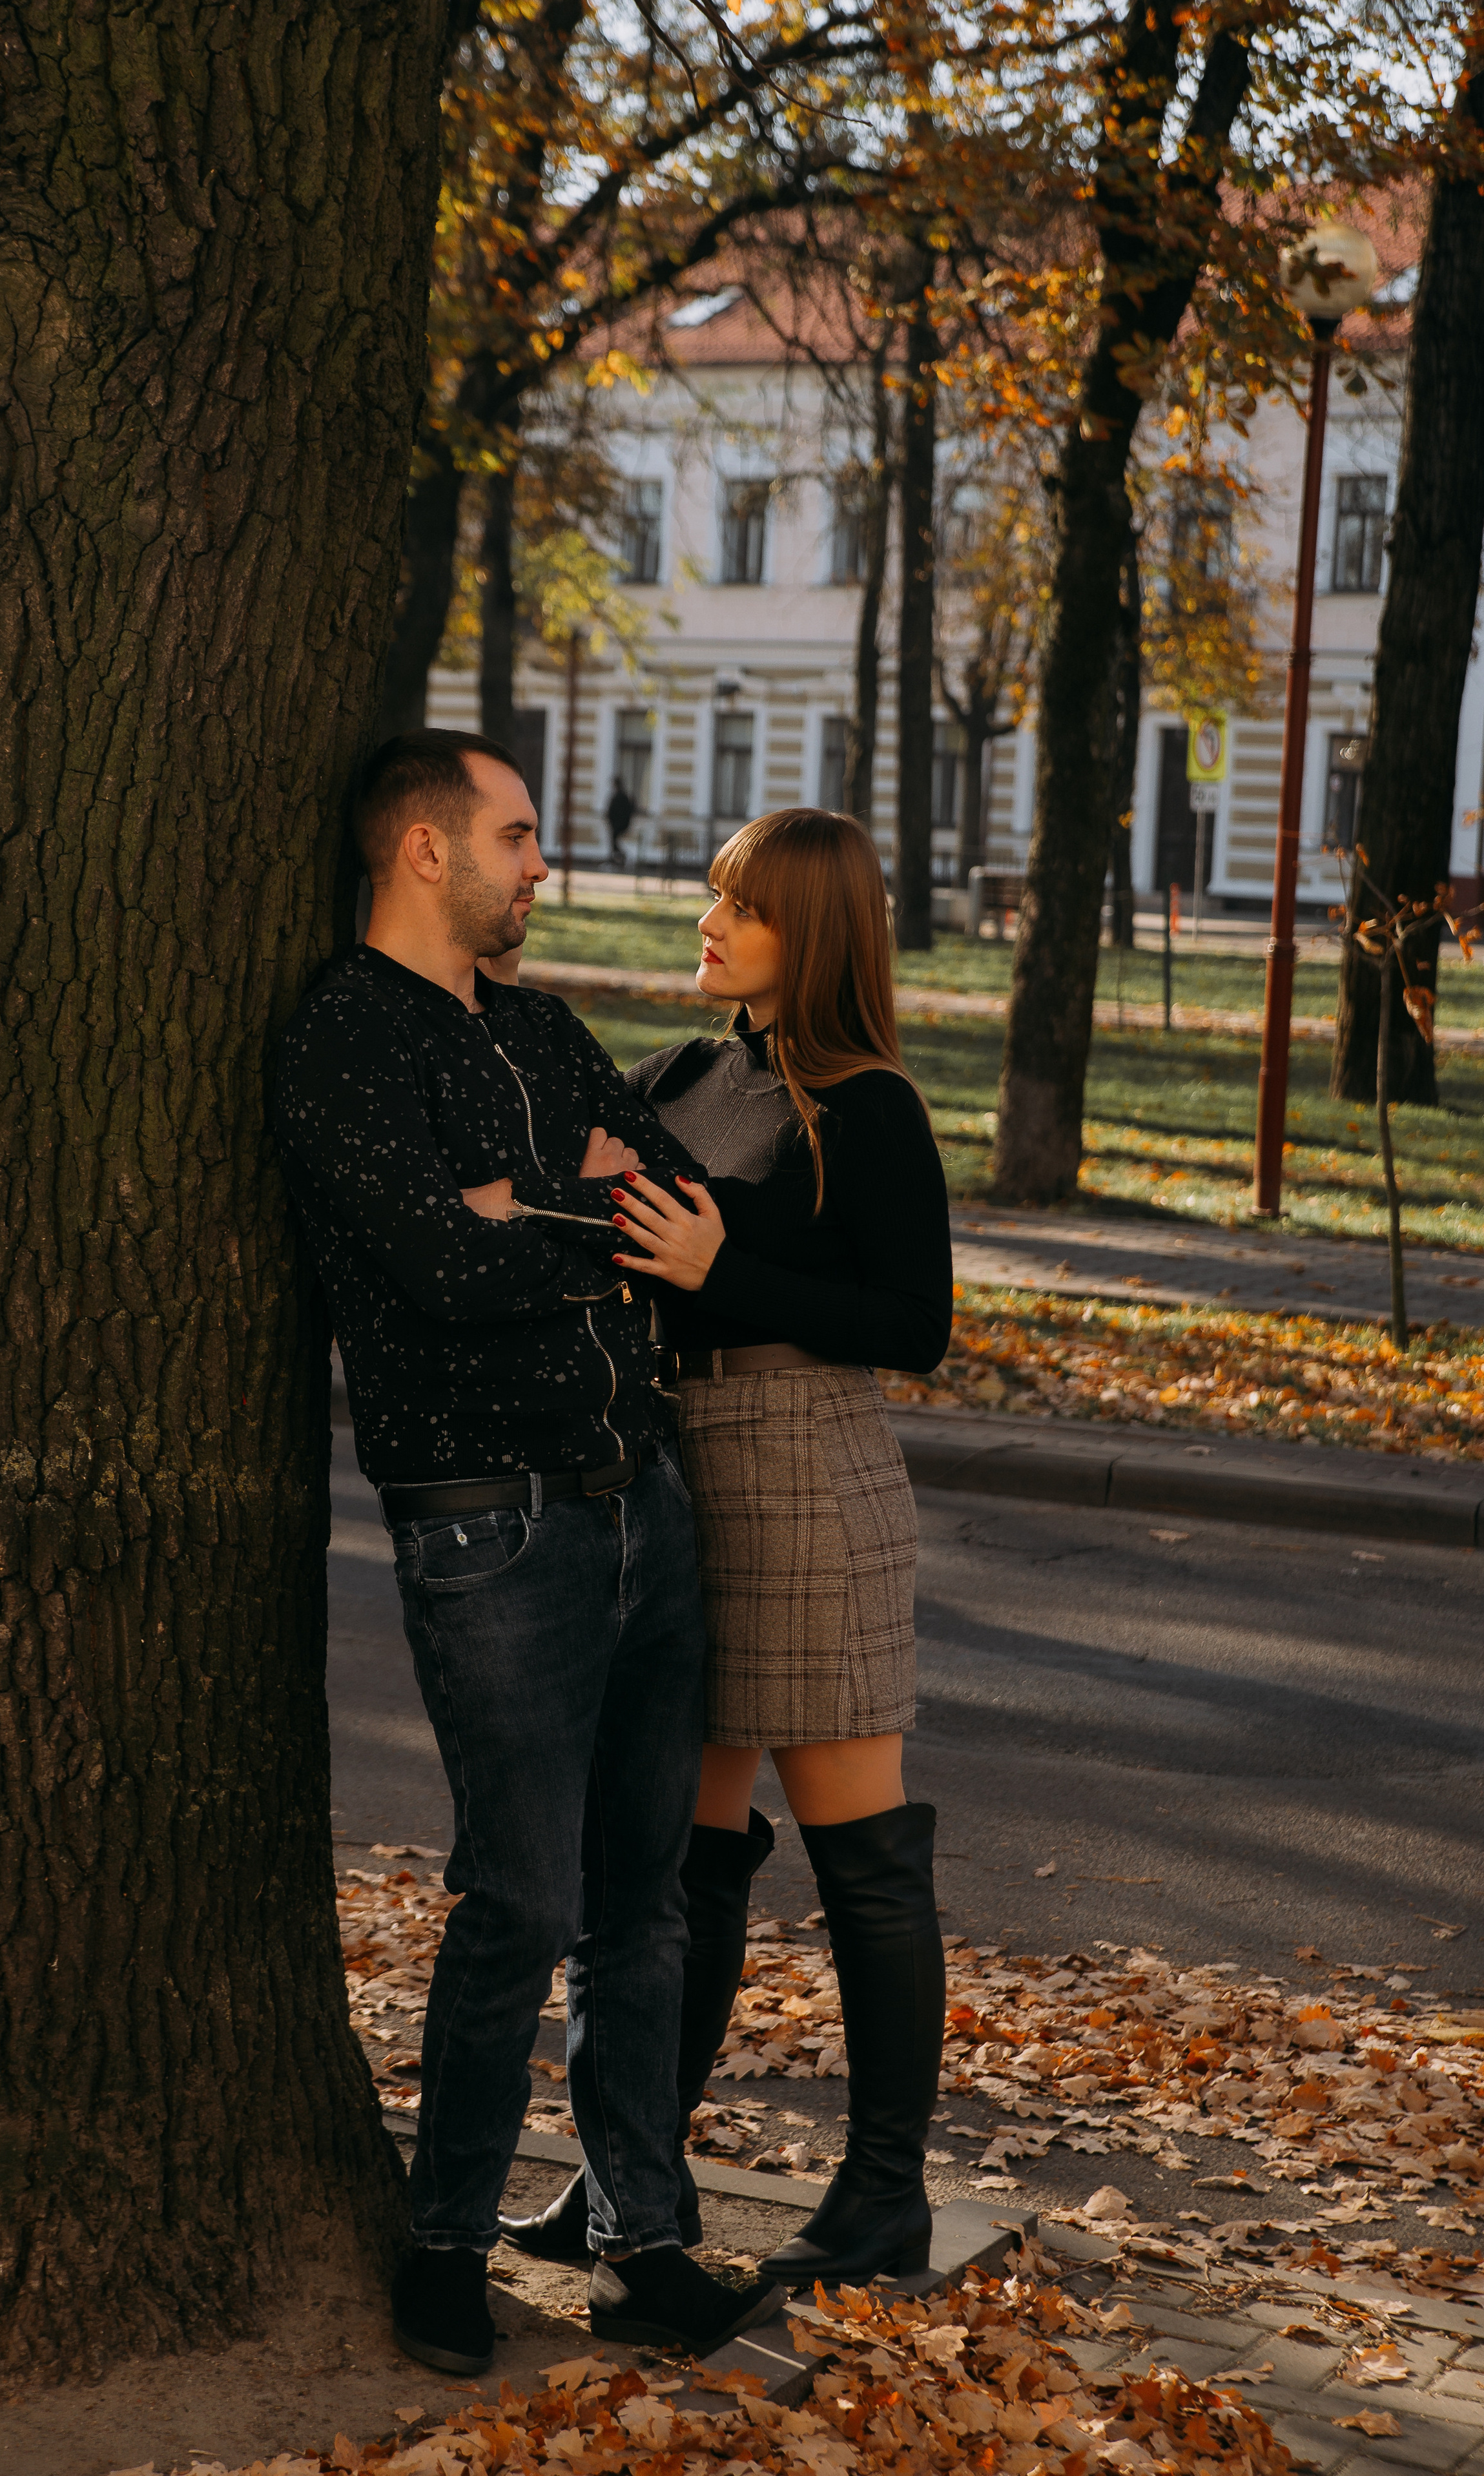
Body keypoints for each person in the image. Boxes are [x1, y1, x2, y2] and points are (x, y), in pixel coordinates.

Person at [273, 729, 781, 2375]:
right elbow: (433, 1263)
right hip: (488, 1518)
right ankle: (443, 2242)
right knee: (521, 1893)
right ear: (425, 851)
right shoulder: (345, 1035)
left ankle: (645, 2239)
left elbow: (685, 1200)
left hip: (644, 1494)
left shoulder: (548, 1029)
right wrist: (583, 1213)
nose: (538, 865)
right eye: (516, 835)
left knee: (639, 1904)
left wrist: (534, 1199)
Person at [506, 807, 952, 2291]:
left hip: (799, 1473)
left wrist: (723, 1268)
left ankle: (883, 2192)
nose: (705, 920)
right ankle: (633, 2179)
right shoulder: (677, 1076)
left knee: (858, 1857)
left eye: (736, 904)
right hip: (669, 1476)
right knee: (670, 1861)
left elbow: (914, 1326)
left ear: (806, 931)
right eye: (709, 895)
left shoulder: (861, 1105)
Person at [606, 775, 635, 862]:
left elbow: (623, 810)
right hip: (618, 823)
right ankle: (617, 858)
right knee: (614, 841)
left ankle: (619, 858)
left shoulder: (621, 796)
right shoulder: (621, 796)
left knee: (614, 840)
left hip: (619, 823)